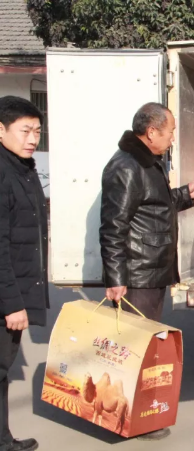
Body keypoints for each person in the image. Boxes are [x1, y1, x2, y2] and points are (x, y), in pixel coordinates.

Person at [99, 103, 194, 440]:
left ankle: (137, 415)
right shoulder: (126, 167)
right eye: (171, 131)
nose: (173, 137)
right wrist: (116, 280)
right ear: (152, 132)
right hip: (137, 276)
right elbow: (113, 228)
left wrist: (185, 194)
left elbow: (154, 205)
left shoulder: (147, 162)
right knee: (134, 349)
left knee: (143, 346)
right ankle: (131, 420)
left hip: (151, 272)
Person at [0, 96, 48, 451]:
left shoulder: (22, 168)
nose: (33, 139)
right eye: (25, 131)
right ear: (1, 130)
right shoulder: (4, 173)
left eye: (38, 132)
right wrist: (12, 303)